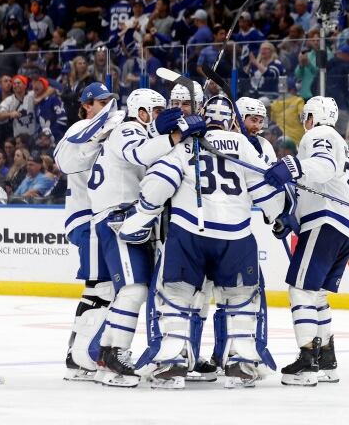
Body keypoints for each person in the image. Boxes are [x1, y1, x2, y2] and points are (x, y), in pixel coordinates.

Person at [122, 95, 287, 389]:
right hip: (236, 236)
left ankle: (172, 362)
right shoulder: (243, 145)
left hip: (189, 233)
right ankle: (241, 362)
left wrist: (144, 210)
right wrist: (278, 217)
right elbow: (263, 189)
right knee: (240, 300)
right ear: (231, 120)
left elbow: (158, 184)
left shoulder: (188, 143)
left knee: (176, 297)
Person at [88, 88, 199, 387]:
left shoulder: (142, 134)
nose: (162, 116)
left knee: (133, 289)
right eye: (158, 110)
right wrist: (174, 137)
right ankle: (115, 355)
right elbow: (138, 153)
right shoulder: (127, 128)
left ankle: (106, 356)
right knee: (134, 288)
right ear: (141, 111)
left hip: (124, 217)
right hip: (117, 218)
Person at [263, 96, 349, 386]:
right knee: (316, 293)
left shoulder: (320, 133)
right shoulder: (337, 139)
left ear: (312, 116)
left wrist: (291, 167)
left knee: (301, 290)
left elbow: (322, 166)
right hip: (345, 224)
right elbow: (313, 185)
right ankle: (326, 358)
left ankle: (307, 361)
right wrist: (292, 217)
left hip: (328, 220)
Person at [54, 82, 121, 382]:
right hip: (87, 218)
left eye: (108, 101)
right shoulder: (80, 127)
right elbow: (65, 162)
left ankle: (77, 354)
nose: (104, 106)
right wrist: (99, 133)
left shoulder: (106, 128)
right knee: (102, 288)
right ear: (86, 105)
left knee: (97, 288)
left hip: (98, 218)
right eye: (98, 102)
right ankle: (84, 356)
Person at [236, 97, 276, 165]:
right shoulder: (228, 141)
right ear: (238, 119)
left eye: (260, 122)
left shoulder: (265, 144)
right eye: (253, 120)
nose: (257, 126)